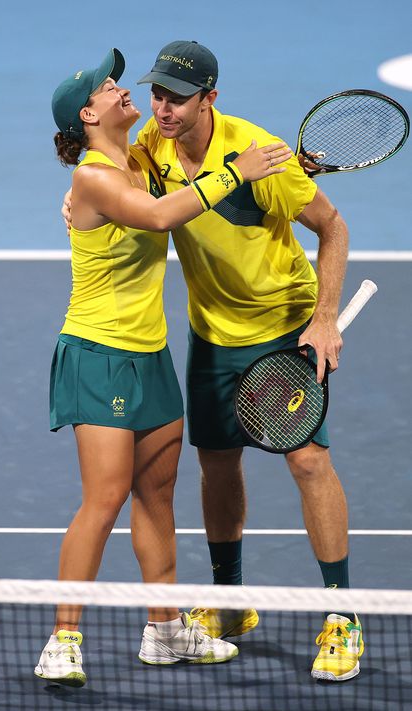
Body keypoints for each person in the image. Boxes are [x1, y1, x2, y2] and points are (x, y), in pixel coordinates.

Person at [34, 48, 292, 687]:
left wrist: (272, 175)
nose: (120, 87)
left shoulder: (139, 159)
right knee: (106, 496)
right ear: (87, 117)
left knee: (155, 494)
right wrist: (235, 172)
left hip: (149, 355)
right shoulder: (95, 177)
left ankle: (166, 628)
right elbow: (155, 216)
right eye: (104, 87)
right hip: (98, 355)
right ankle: (63, 639)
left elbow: (171, 190)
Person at [133, 40, 364, 683]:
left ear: (210, 99)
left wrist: (323, 321)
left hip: (284, 325)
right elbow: (120, 184)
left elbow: (334, 227)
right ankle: (232, 604)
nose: (163, 107)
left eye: (178, 98)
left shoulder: (255, 154)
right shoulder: (152, 144)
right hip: (212, 332)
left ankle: (342, 616)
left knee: (309, 460)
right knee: (217, 463)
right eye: (158, 94)